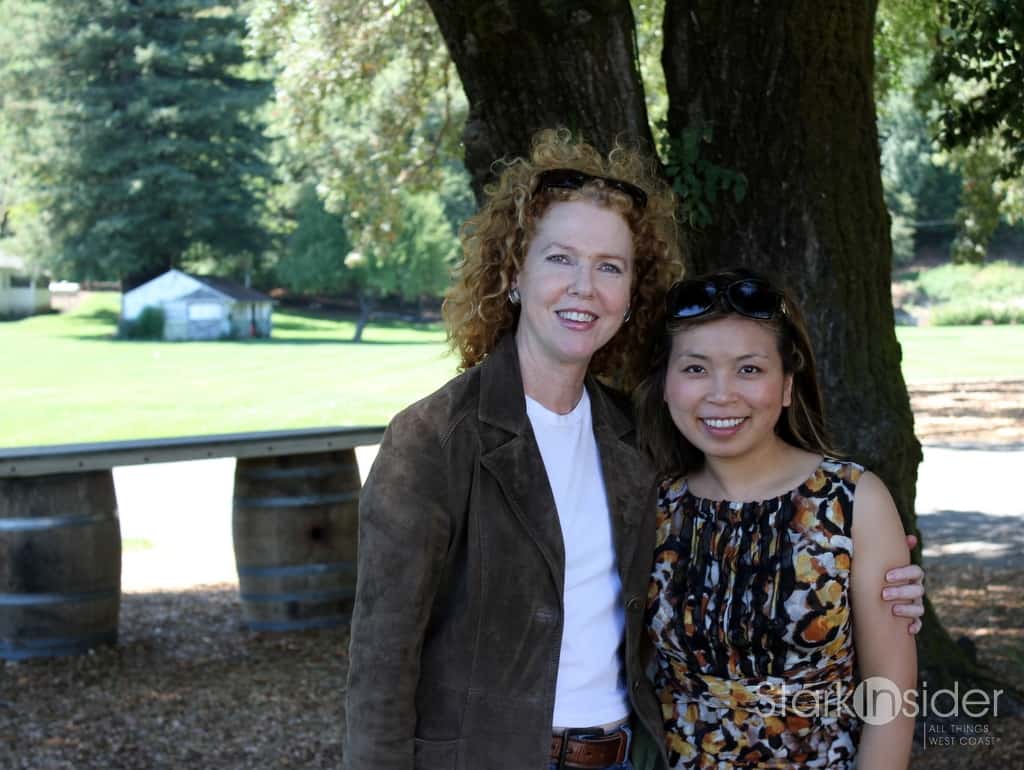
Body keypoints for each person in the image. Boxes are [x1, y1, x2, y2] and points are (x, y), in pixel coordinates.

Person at [342, 130, 923, 770]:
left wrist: (879, 573)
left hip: (626, 756)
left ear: (629, 297)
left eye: (609, 267)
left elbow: (734, 544)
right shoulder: (433, 438)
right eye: (560, 258)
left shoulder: (635, 439)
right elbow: (380, 667)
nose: (584, 286)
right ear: (513, 274)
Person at [635, 268, 918, 769]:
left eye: (749, 369)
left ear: (787, 385)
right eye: (696, 368)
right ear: (665, 385)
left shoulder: (853, 501)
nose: (721, 394)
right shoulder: (648, 507)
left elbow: (890, 701)